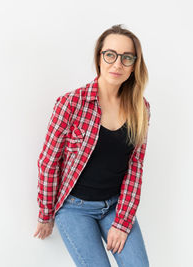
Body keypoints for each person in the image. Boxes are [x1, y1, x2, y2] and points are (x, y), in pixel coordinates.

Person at [33, 24, 151, 267]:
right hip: (75, 209)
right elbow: (48, 162)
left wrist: (123, 221)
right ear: (99, 57)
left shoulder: (141, 108)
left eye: (126, 57)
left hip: (116, 206)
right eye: (110, 54)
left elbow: (135, 168)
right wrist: (45, 214)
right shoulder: (71, 104)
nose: (117, 64)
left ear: (134, 64)